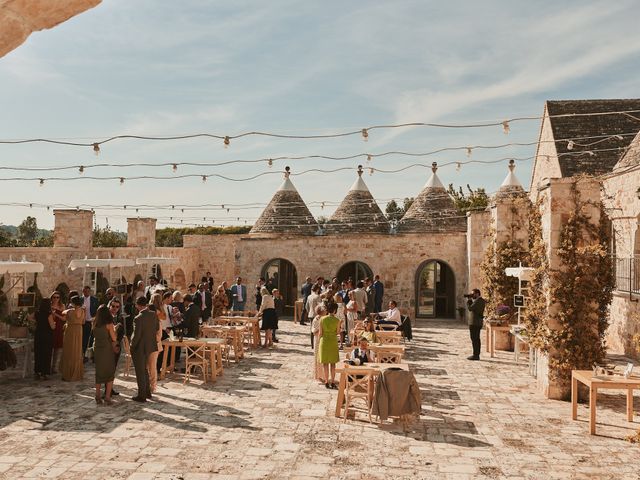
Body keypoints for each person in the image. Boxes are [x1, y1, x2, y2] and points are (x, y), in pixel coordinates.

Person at [130, 296, 158, 402]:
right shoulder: (153, 314)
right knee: (145, 370)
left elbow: (136, 336)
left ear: (138, 305)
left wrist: (132, 346)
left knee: (140, 371)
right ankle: (147, 392)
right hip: (150, 346)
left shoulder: (138, 318)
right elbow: (156, 328)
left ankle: (142, 395)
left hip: (140, 347)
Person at [92, 305, 117, 405]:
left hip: (97, 348)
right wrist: (115, 329)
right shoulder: (109, 324)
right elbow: (114, 338)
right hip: (107, 349)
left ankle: (97, 395)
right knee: (109, 372)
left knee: (99, 372)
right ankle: (107, 397)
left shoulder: (94, 322)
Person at [60, 296, 85, 382]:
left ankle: (68, 374)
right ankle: (77, 373)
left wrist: (67, 309)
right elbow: (83, 322)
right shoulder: (82, 311)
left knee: (69, 351)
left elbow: (63, 313)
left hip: (71, 330)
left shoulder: (70, 311)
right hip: (79, 330)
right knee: (77, 351)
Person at [318, 301, 340, 389]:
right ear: (335, 310)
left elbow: (320, 333)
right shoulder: (337, 320)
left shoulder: (322, 319)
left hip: (324, 341)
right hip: (333, 341)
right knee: (333, 364)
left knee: (325, 363)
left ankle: (326, 381)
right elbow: (338, 332)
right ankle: (333, 381)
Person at [34, 298, 55, 380]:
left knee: (38, 353)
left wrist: (36, 322)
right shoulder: (48, 314)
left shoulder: (37, 313)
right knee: (46, 354)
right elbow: (52, 326)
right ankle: (44, 373)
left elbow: (29, 317)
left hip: (38, 334)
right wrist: (54, 324)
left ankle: (37, 372)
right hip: (47, 336)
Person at [107, 298, 123, 397]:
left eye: (117, 307)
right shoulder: (107, 318)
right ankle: (107, 391)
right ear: (109, 306)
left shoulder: (119, 317)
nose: (115, 308)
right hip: (109, 346)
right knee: (108, 369)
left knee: (113, 369)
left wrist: (117, 344)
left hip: (116, 345)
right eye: (113, 306)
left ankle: (110, 388)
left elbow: (122, 332)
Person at [147, 293, 164, 392]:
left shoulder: (157, 322)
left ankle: (153, 387)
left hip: (154, 346)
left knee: (152, 367)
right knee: (147, 367)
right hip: (147, 346)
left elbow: (159, 336)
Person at [466, 288, 486, 361]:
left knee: (475, 339)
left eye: (473, 294)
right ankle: (476, 354)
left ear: (477, 294)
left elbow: (470, 308)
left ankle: (476, 355)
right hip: (477, 322)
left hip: (475, 323)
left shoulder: (478, 301)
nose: (472, 295)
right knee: (476, 339)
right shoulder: (480, 301)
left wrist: (469, 300)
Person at [81, 286, 99, 361]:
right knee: (82, 339)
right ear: (83, 291)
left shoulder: (94, 300)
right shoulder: (80, 299)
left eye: (88, 291)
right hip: (82, 322)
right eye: (85, 291)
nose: (87, 293)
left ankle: (88, 355)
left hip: (90, 321)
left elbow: (97, 310)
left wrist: (94, 318)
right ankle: (82, 354)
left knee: (89, 339)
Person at [50, 291, 66, 374]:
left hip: (59, 328)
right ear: (51, 298)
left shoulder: (62, 306)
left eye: (57, 297)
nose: (56, 299)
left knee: (58, 348)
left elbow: (64, 319)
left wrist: (56, 314)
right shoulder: (49, 306)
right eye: (54, 297)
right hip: (51, 328)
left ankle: (54, 367)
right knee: (50, 348)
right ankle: (48, 366)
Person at [311, 304, 327, 384]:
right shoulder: (316, 319)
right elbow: (314, 331)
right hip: (318, 340)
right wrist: (321, 330)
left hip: (324, 340)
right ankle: (319, 376)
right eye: (325, 310)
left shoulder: (325, 318)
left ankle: (324, 375)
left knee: (324, 358)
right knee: (318, 357)